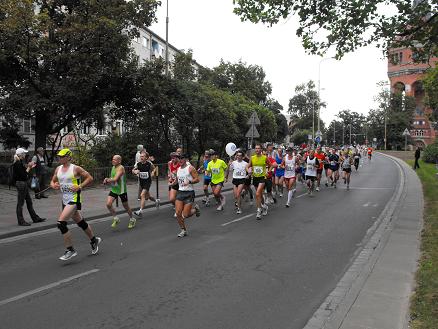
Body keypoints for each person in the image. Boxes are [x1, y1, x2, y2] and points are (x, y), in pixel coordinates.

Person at [50, 148, 100, 261]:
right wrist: (53, 185)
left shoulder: (75, 168)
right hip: (64, 200)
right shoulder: (58, 169)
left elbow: (90, 178)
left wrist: (80, 186)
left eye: (62, 156)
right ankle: (94, 240)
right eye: (59, 156)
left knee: (61, 223)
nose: (59, 158)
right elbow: (52, 181)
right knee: (81, 222)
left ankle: (70, 250)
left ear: (68, 157)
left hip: (74, 199)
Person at [13, 148, 46, 226]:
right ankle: (21, 221)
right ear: (20, 155)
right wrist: (29, 167)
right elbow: (24, 175)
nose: (25, 155)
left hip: (23, 184)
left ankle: (35, 218)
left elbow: (24, 173)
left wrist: (30, 166)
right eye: (24, 153)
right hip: (21, 184)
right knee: (20, 203)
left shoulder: (20, 162)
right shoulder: (17, 163)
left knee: (29, 202)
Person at [104, 155, 137, 229]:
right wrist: (107, 178)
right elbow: (112, 178)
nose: (113, 161)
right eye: (112, 159)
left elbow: (115, 179)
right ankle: (116, 218)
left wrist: (107, 180)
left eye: (115, 160)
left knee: (126, 206)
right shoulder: (113, 167)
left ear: (119, 161)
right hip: (114, 189)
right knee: (108, 204)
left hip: (122, 190)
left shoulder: (121, 168)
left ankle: (132, 219)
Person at [175, 153, 201, 237]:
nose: (180, 160)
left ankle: (195, 210)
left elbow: (197, 179)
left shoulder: (190, 168)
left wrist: (189, 181)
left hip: (189, 193)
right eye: (179, 159)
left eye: (182, 158)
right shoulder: (178, 169)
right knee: (178, 213)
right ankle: (183, 230)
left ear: (186, 159)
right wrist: (172, 183)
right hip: (180, 192)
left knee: (185, 215)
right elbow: (177, 181)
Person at [247, 144, 274, 219]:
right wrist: (248, 171)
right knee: (260, 195)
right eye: (256, 148)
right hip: (255, 178)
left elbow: (271, 165)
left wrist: (268, 172)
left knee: (257, 193)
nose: (257, 150)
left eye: (258, 148)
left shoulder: (264, 157)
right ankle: (264, 206)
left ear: (261, 150)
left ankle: (259, 211)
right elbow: (248, 166)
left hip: (262, 178)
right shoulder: (252, 158)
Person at [132, 151, 158, 217]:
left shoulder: (149, 164)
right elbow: (133, 170)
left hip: (148, 182)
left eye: (143, 156)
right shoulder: (138, 164)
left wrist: (152, 172)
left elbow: (155, 169)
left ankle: (140, 211)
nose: (141, 157)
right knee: (148, 196)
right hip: (142, 182)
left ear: (146, 157)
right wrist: (135, 171)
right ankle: (156, 201)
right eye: (140, 156)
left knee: (142, 195)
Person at [226, 150, 248, 214]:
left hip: (242, 179)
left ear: (242, 157)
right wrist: (228, 165)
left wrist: (248, 175)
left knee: (238, 194)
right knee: (236, 196)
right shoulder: (233, 162)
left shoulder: (245, 163)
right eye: (237, 155)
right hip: (235, 179)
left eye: (240, 155)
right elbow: (229, 170)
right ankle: (242, 193)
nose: (238, 156)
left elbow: (249, 170)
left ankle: (239, 208)